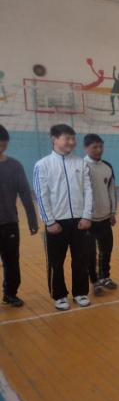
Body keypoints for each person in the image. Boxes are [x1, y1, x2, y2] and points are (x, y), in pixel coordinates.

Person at [34, 124, 94, 310]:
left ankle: (80, 292)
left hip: (80, 221)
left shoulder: (81, 164)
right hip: (56, 223)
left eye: (73, 138)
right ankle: (59, 295)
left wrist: (87, 216)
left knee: (81, 259)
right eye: (67, 138)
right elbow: (41, 195)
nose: (71, 142)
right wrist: (49, 221)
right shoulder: (43, 165)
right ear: (54, 139)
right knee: (56, 261)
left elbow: (89, 191)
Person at [0, 125, 38, 307]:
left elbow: (24, 193)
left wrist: (32, 220)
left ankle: (10, 293)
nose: (1, 147)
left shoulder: (14, 166)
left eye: (4, 144)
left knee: (12, 262)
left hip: (9, 223)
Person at [83, 134, 118, 296]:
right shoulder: (81, 166)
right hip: (88, 219)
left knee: (106, 249)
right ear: (86, 148)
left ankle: (105, 276)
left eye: (101, 146)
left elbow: (111, 190)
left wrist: (112, 212)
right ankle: (94, 280)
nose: (99, 150)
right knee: (90, 252)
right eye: (94, 147)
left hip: (104, 217)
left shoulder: (107, 167)